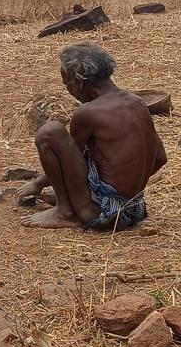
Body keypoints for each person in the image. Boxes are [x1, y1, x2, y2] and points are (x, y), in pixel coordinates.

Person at [19, 42, 167, 230]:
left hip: (103, 215)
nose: (69, 90)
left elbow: (71, 160)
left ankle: (65, 212)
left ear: (78, 81)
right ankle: (83, 200)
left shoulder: (88, 113)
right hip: (134, 209)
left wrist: (37, 184)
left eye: (67, 84)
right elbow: (160, 158)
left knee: (51, 132)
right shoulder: (137, 103)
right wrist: (127, 189)